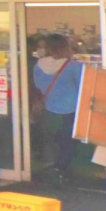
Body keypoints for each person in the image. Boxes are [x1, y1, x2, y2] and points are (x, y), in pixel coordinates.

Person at [33, 33, 84, 185]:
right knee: (69, 144)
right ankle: (61, 172)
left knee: (53, 143)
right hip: (71, 111)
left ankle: (53, 171)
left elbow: (38, 86)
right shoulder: (74, 66)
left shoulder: (38, 66)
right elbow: (83, 88)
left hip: (48, 110)